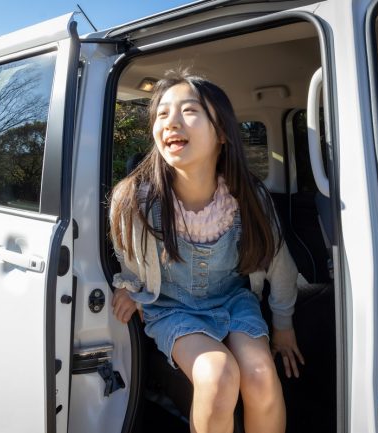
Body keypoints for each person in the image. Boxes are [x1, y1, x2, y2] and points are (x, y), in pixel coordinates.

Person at [109, 71, 303, 433]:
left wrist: (284, 326)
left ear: (223, 133)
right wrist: (131, 286)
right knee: (217, 375)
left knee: (261, 374)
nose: (171, 122)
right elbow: (129, 257)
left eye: (189, 110)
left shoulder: (250, 198)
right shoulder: (133, 200)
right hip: (172, 308)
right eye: (162, 114)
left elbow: (280, 265)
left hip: (234, 302)